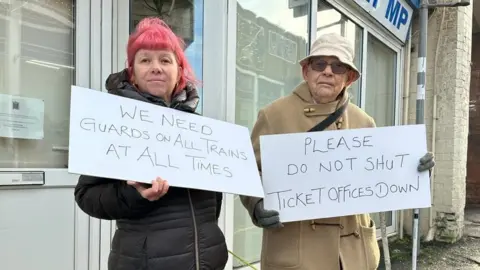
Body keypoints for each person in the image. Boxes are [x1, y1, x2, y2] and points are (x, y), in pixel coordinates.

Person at [240, 33, 435, 270]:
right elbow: (248, 172)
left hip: (352, 255)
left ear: (349, 78)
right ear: (306, 72)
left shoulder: (363, 121)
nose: (328, 71)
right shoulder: (274, 115)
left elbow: (380, 176)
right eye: (319, 64)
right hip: (297, 252)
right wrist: (256, 204)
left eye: (338, 66)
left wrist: (414, 169)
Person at [74, 17, 228, 270]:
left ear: (179, 70)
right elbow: (87, 196)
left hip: (207, 261)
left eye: (165, 60)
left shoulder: (201, 130)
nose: (156, 67)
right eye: (145, 60)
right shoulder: (113, 122)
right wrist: (134, 194)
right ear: (132, 72)